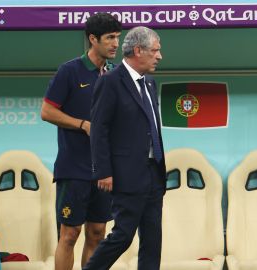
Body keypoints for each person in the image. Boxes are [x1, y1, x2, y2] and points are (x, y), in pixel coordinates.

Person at [41, 13, 122, 270]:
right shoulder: (69, 71)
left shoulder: (114, 75)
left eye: (117, 38)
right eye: (109, 38)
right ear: (92, 39)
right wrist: (82, 125)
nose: (115, 44)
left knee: (98, 233)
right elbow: (47, 111)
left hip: (103, 172)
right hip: (73, 169)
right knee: (69, 235)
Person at [83, 26, 166, 270]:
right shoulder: (110, 81)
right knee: (123, 236)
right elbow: (99, 131)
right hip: (126, 174)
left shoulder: (149, 83)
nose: (159, 56)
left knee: (153, 240)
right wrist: (103, 171)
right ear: (138, 50)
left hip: (154, 172)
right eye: (155, 51)